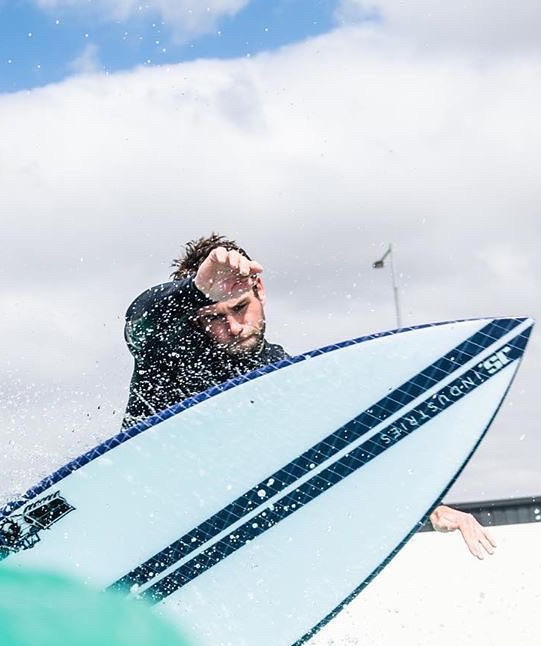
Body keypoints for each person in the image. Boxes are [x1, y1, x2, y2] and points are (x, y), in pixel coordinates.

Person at [121, 233, 496, 559]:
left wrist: (424, 507)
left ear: (260, 291)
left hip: (213, 526)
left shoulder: (281, 374)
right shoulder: (166, 351)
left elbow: (329, 455)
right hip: (141, 511)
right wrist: (195, 290)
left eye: (239, 308)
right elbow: (138, 319)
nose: (233, 327)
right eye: (214, 317)